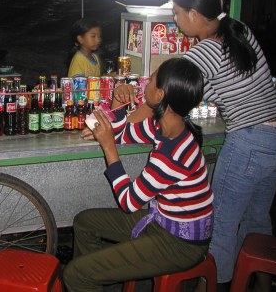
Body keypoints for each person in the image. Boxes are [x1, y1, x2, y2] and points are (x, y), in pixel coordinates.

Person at [169, 0, 276, 291]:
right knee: (256, 219)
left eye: (176, 12)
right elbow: (212, 94)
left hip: (251, 143)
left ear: (194, 15)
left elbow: (170, 89)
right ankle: (263, 285)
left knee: (221, 226)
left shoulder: (202, 52)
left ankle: (209, 287)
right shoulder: (240, 31)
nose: (175, 19)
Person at [63, 58, 214, 292]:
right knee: (84, 222)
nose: (145, 85)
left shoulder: (173, 151)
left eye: (152, 80)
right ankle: (95, 276)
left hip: (180, 244)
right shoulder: (164, 125)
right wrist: (118, 101)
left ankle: (87, 277)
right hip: (161, 221)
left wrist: (108, 147)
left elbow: (129, 202)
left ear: (161, 95)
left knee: (75, 275)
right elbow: (122, 133)